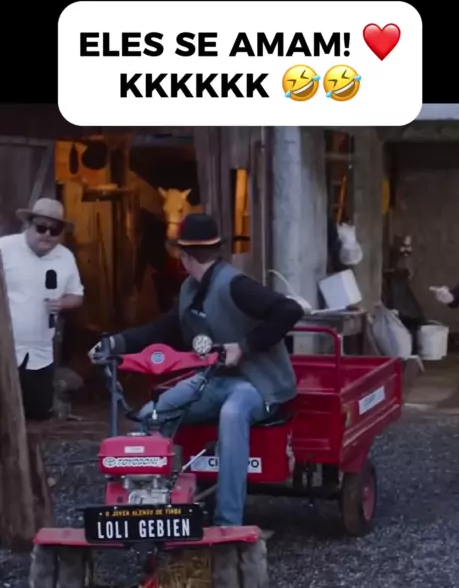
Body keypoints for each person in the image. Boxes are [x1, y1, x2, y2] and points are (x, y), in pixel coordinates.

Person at [89, 213, 304, 527]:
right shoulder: (190, 290)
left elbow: (289, 310)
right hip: (213, 380)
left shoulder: (235, 285)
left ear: (185, 256)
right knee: (152, 415)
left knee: (232, 414)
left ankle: (229, 522)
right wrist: (115, 343)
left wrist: (243, 346)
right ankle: (151, 506)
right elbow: (164, 329)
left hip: (258, 384)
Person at [0, 198, 84, 421]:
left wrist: (63, 303)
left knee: (38, 412)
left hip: (40, 352)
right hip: (5, 349)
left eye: (54, 230)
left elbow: (77, 295)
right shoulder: (5, 248)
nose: (47, 234)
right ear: (29, 224)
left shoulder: (65, 257)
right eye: (41, 227)